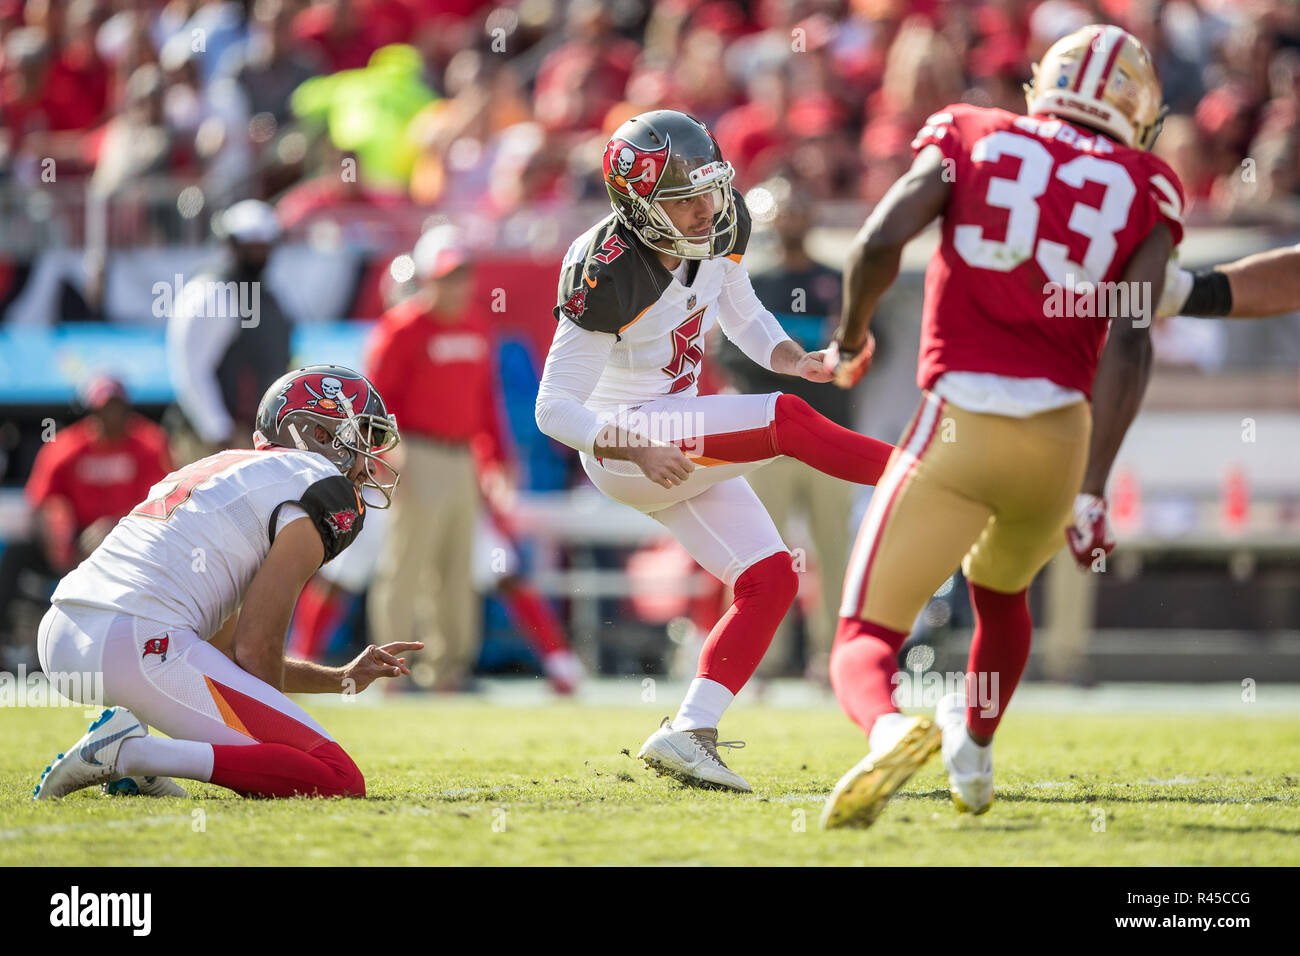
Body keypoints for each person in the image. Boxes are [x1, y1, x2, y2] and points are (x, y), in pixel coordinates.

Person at [819, 25, 1184, 828]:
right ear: (1140, 111)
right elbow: (1131, 335)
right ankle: (974, 752)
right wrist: (1091, 489)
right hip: (1060, 439)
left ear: (1043, 84)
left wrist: (849, 341)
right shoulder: (1145, 181)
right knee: (1005, 596)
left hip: (959, 424)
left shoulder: (975, 130)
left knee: (862, 635)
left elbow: (879, 239)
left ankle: (886, 731)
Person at [534, 109, 898, 792]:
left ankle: (689, 731)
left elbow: (740, 308)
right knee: (784, 421)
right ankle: (921, 478)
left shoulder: (722, 220)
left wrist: (797, 358)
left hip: (675, 425)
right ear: (638, 205)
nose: (706, 209)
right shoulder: (605, 270)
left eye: (710, 189)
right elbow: (553, 408)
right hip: (625, 440)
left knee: (772, 579)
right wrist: (636, 448)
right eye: (684, 199)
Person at [32, 365, 418, 801]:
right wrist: (270, 750)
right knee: (335, 777)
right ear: (320, 434)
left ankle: (135, 763)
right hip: (136, 638)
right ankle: (132, 755)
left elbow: (228, 654)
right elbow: (256, 649)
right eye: (362, 434)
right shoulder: (320, 486)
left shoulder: (230, 470)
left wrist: (339, 678)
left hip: (66, 633)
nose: (371, 454)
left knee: (287, 754)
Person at [711, 178, 857, 681]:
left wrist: (797, 352)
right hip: (767, 439)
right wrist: (796, 357)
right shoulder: (748, 282)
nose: (792, 219)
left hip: (827, 434)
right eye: (784, 211)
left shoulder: (839, 279)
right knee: (759, 552)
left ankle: (833, 659)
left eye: (800, 209)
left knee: (834, 549)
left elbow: (861, 350)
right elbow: (729, 353)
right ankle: (761, 659)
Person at [365, 225, 508, 692]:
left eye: (463, 275)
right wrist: (387, 455)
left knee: (455, 565)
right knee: (408, 564)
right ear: (426, 278)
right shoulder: (402, 328)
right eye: (447, 276)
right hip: (417, 453)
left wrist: (497, 456)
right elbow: (376, 402)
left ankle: (448, 669)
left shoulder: (476, 327)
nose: (457, 286)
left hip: (462, 456)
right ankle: (390, 671)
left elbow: (486, 400)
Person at [0, 377, 172, 665]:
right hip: (73, 539)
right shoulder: (66, 447)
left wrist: (115, 528)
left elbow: (163, 502)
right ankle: (6, 643)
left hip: (131, 539)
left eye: (117, 408)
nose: (111, 417)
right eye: (104, 409)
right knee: (16, 555)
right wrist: (57, 533)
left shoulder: (150, 444)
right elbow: (41, 501)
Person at [166, 200, 294, 462]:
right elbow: (190, 366)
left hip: (253, 438)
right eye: (250, 246)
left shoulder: (271, 295)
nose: (259, 253)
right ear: (232, 245)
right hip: (213, 441)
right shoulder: (211, 292)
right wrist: (217, 430)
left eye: (265, 246)